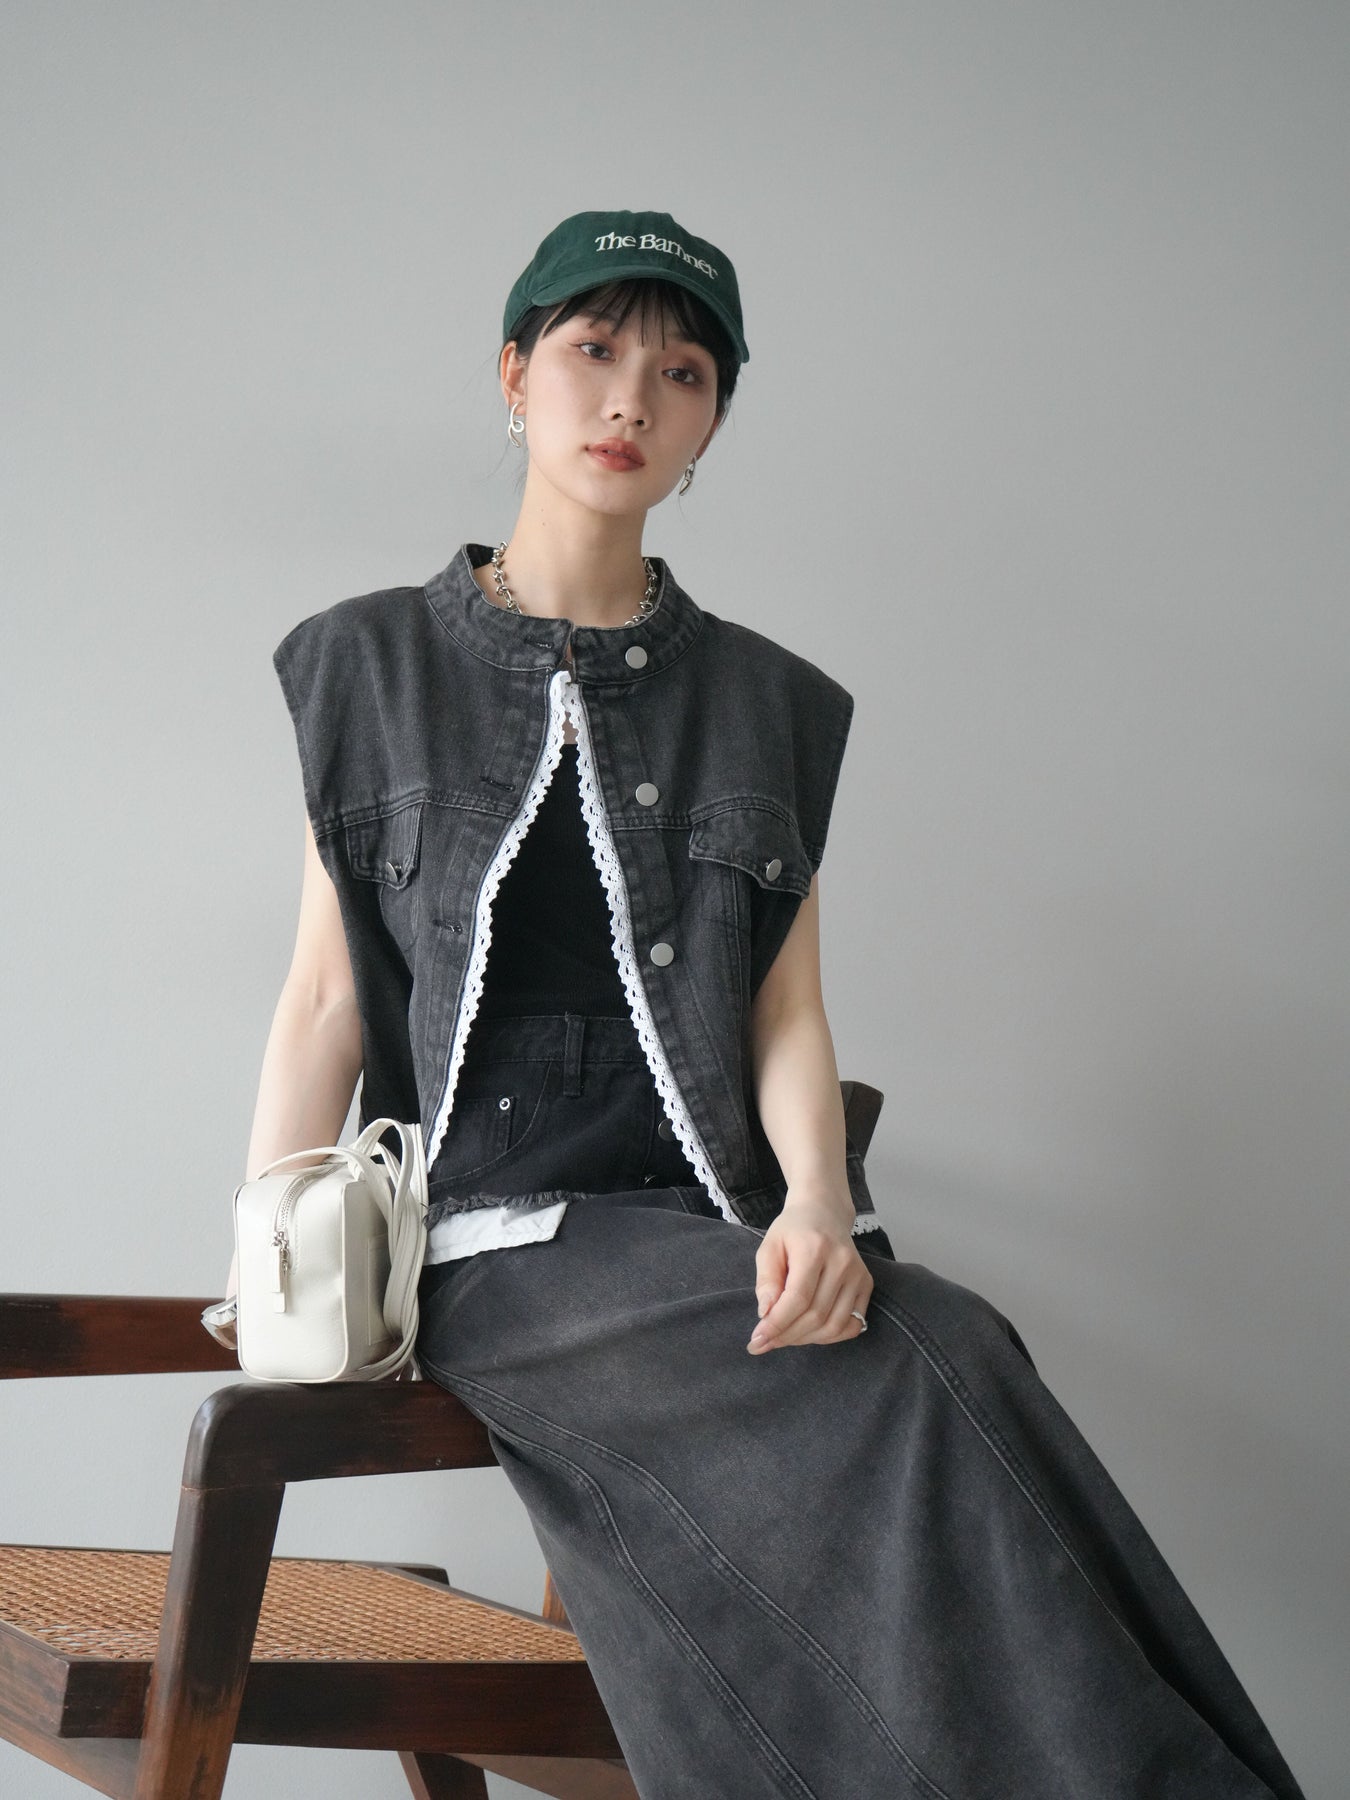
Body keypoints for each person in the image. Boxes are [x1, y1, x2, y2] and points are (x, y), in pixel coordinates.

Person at [245, 210, 1306, 1798]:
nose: (630, 399)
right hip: (499, 1244)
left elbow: (786, 1014)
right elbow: (327, 993)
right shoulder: (364, 665)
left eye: (682, 375)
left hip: (714, 1222)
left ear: (710, 427)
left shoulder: (769, 703)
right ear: (514, 375)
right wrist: (273, 1253)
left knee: (955, 1339)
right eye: (593, 352)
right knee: (899, 1379)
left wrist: (815, 1202)